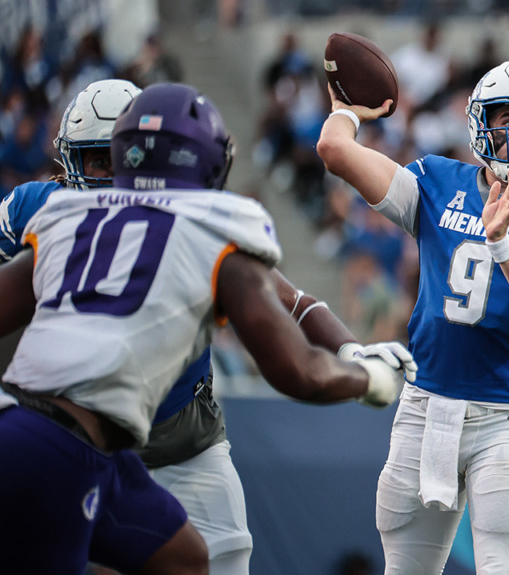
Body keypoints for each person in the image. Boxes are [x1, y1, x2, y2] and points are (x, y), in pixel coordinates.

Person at [0, 81, 416, 575]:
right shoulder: (199, 228)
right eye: (99, 160)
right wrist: (370, 379)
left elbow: (293, 303)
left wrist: (350, 350)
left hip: (143, 433)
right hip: (71, 441)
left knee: (196, 558)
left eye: (123, 157)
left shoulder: (63, 221)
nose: (114, 175)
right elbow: (297, 371)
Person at [316, 59, 509, 573]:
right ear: (483, 123)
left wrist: (502, 243)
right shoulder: (437, 182)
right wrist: (346, 112)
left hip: (508, 418)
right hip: (422, 406)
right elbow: (334, 151)